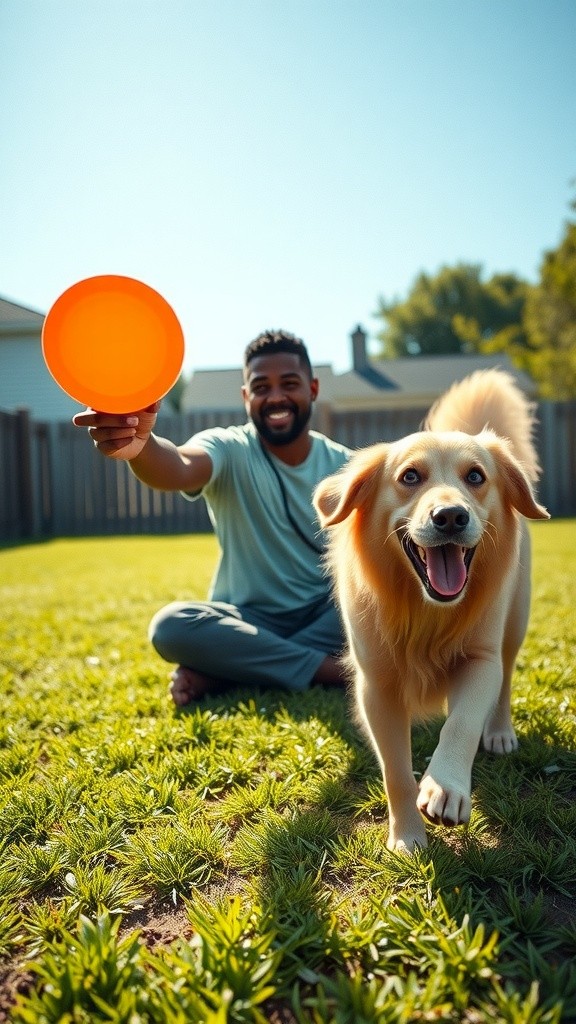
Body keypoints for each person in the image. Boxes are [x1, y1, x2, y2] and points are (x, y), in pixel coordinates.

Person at [73, 329, 351, 705]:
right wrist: (140, 446)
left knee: (369, 600)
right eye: (261, 386)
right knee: (171, 626)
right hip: (247, 620)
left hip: (327, 616)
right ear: (245, 396)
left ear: (313, 389)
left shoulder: (347, 466)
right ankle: (333, 672)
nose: (276, 397)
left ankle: (223, 673)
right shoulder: (228, 447)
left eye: (289, 384)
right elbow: (179, 465)